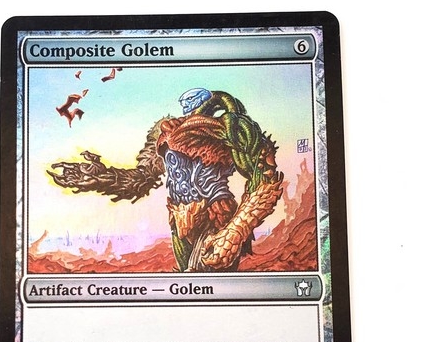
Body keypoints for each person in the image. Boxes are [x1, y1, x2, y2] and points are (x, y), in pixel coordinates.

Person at [48, 88, 284, 272]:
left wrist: (235, 231)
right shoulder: (166, 133)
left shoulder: (231, 129)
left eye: (192, 102)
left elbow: (265, 180)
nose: (187, 106)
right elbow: (143, 177)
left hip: (216, 217)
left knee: (204, 278)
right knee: (185, 282)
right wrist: (101, 177)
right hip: (179, 220)